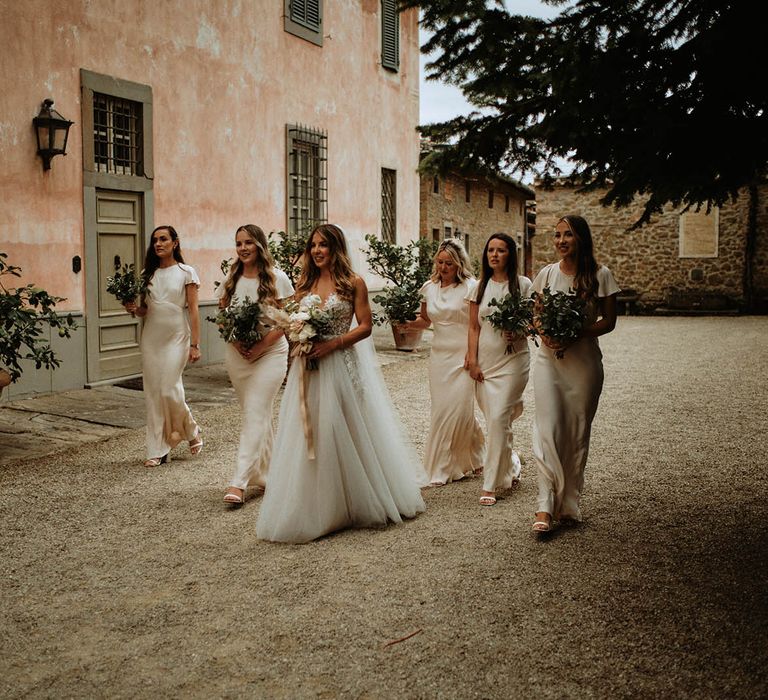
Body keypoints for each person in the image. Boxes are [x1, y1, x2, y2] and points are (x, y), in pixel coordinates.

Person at [256, 224, 426, 543]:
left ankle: (356, 498)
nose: (318, 251)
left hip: (341, 363)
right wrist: (293, 331)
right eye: (314, 246)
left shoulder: (353, 283)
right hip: (308, 367)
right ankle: (319, 504)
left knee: (347, 426)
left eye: (324, 245)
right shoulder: (303, 284)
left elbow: (365, 327)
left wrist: (333, 344)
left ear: (336, 249)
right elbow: (283, 316)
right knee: (312, 432)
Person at [531, 214, 620, 533]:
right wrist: (545, 334)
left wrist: (576, 333)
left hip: (583, 365)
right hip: (548, 361)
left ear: (581, 238)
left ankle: (569, 503)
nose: (560, 241)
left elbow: (608, 322)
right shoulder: (546, 274)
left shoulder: (601, 275)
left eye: (567, 235)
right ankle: (544, 506)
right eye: (556, 236)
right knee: (548, 428)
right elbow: (536, 314)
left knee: (578, 431)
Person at [216, 225, 294, 505]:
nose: (243, 248)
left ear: (259, 245)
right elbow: (222, 315)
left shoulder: (277, 278)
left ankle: (238, 482)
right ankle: (268, 475)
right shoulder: (231, 278)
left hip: (271, 354)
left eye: (248, 242)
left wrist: (261, 345)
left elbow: (287, 320)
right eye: (238, 243)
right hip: (238, 356)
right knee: (258, 416)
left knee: (255, 413)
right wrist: (236, 341)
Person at [406, 239, 484, 485]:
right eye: (440, 262)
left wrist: (474, 354)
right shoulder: (429, 287)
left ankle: (442, 466)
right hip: (439, 357)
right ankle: (477, 456)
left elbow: (477, 324)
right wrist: (407, 322)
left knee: (458, 410)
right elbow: (425, 320)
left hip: (463, 355)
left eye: (448, 263)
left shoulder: (472, 287)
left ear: (459, 263)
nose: (443, 267)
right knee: (443, 410)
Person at [125, 225, 203, 467]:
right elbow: (146, 310)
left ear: (175, 243)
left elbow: (193, 310)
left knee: (169, 389)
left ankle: (191, 429)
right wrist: (133, 309)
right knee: (153, 392)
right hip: (151, 338)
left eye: (163, 239)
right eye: (155, 240)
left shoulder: (186, 272)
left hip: (177, 336)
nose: (158, 244)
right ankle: (157, 448)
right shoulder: (146, 274)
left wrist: (195, 344)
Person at [466, 233, 532, 506]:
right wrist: (472, 360)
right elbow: (473, 327)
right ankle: (512, 465)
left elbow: (534, 322)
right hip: (486, 363)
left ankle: (491, 484)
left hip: (514, 360)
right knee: (497, 420)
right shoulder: (479, 287)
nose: (494, 255)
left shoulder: (524, 285)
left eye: (501, 250)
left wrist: (517, 330)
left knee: (498, 418)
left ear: (510, 255)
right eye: (490, 250)